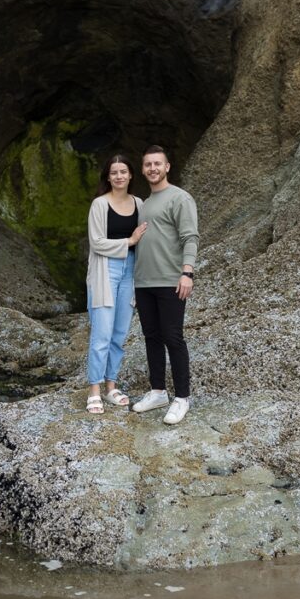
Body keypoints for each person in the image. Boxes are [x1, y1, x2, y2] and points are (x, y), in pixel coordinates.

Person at [130, 145, 198, 425]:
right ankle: (158, 391)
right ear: (143, 169)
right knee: (152, 337)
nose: (153, 168)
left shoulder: (180, 198)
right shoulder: (145, 204)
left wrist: (187, 273)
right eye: (148, 164)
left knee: (173, 337)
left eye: (157, 163)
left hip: (171, 281)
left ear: (167, 167)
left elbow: (190, 237)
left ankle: (182, 397)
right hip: (144, 282)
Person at [85, 154, 148, 414]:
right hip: (105, 270)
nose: (119, 176)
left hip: (130, 270)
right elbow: (96, 242)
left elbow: (147, 238)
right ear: (108, 177)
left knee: (119, 334)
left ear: (131, 175)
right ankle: (94, 390)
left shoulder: (139, 203)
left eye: (123, 171)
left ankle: (111, 387)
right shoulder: (100, 204)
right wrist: (129, 242)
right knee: (102, 333)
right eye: (114, 172)